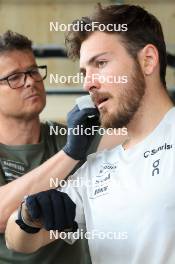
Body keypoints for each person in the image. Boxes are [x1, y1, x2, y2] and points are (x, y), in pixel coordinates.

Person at [6, 4, 175, 264]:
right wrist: (29, 215)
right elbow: (17, 240)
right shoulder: (98, 168)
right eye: (84, 72)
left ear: (148, 60)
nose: (88, 83)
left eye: (101, 63)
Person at [0, 30, 124, 264]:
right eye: (14, 77)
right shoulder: (72, 146)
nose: (30, 81)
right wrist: (69, 154)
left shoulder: (72, 136)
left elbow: (137, 134)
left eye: (33, 71)